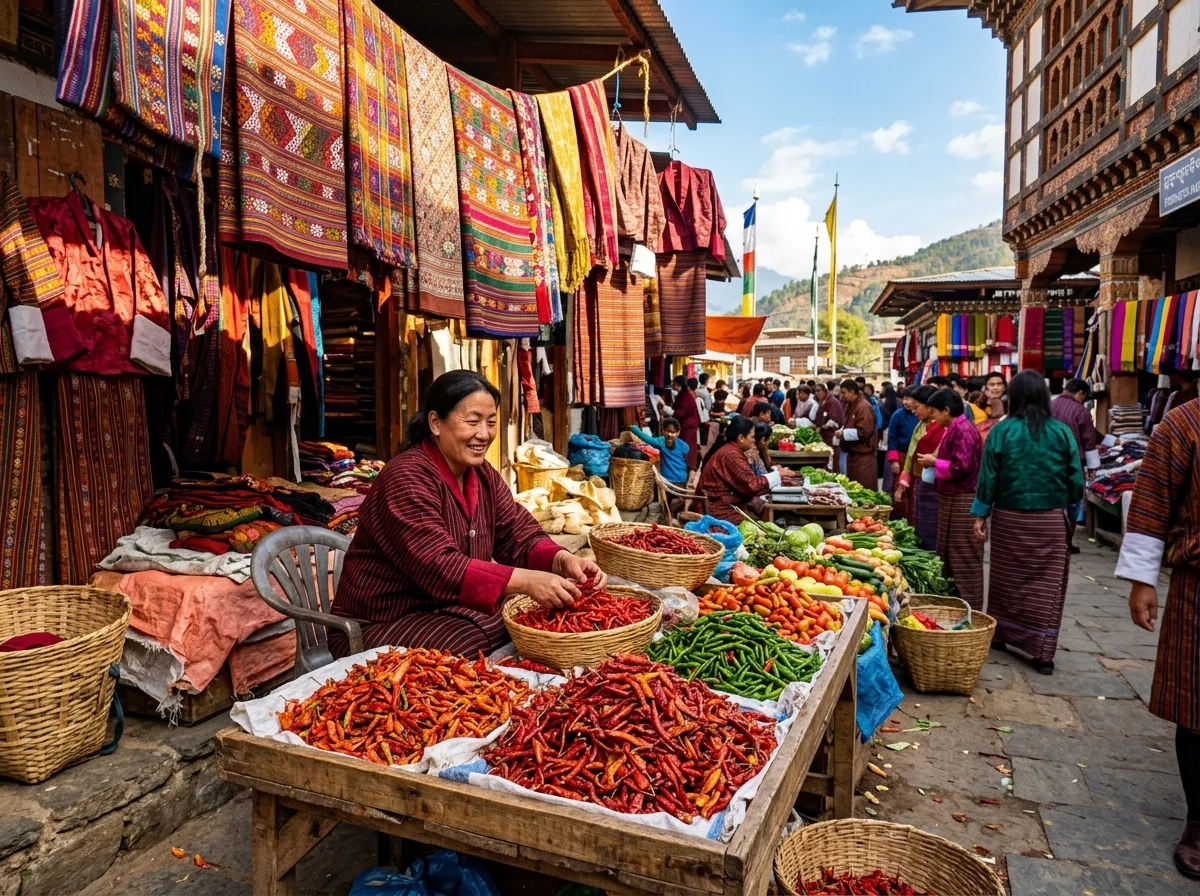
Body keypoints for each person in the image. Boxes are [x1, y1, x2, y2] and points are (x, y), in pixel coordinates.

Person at [333, 371, 605, 656]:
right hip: (379, 621)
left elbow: (515, 531)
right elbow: (438, 565)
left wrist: (561, 560)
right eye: (473, 422)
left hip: (440, 610)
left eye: (490, 422)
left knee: (532, 618)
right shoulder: (406, 478)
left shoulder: (481, 474)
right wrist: (527, 581)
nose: (484, 434)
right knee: (481, 638)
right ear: (436, 423)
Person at [1116, 399, 1200, 878]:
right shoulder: (1185, 423)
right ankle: (1198, 822)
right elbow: (1151, 504)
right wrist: (1142, 581)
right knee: (1195, 709)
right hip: (1196, 586)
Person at [971, 370, 1083, 674]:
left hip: (1009, 518)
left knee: (1006, 580)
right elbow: (1076, 478)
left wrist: (981, 513)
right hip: (1049, 520)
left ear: (1014, 397)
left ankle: (1003, 635)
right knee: (1047, 586)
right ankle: (1042, 652)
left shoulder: (1002, 431)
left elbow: (988, 476)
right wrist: (1070, 512)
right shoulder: (1061, 432)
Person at [924, 389, 985, 610]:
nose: (933, 417)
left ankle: (971, 607)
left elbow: (963, 466)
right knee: (949, 553)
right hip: (951, 497)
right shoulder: (954, 427)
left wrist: (934, 462)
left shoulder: (964, 430)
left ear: (946, 410)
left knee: (964, 555)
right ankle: (955, 605)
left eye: (934, 412)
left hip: (963, 499)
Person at [698, 415, 793, 523]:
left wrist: (776, 476)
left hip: (726, 503)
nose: (754, 440)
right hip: (720, 510)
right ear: (741, 438)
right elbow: (751, 485)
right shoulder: (731, 454)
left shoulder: (732, 450)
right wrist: (777, 475)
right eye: (752, 437)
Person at [1051, 378, 1107, 552]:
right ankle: (1066, 541)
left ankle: (1052, 541)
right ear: (1081, 393)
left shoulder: (1049, 406)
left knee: (1053, 501)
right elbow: (1089, 442)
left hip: (1048, 461)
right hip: (1072, 464)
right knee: (1072, 501)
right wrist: (1093, 469)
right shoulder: (1080, 411)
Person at [896, 385, 944, 551]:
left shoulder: (941, 426)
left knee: (932, 524)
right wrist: (904, 481)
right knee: (919, 521)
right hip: (920, 479)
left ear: (930, 407)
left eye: (917, 407)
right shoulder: (921, 425)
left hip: (936, 483)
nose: (914, 411)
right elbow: (911, 454)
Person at [836, 380, 880, 489]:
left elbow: (864, 431)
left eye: (843, 392)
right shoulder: (851, 405)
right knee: (854, 488)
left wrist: (843, 433)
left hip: (864, 456)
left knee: (864, 489)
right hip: (853, 454)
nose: (841, 396)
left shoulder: (863, 406)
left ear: (852, 392)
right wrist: (842, 430)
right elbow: (848, 424)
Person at [885, 387, 919, 521]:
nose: (905, 402)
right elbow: (892, 438)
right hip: (902, 456)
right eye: (904, 398)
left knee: (915, 492)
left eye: (909, 399)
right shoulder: (898, 414)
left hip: (918, 459)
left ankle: (914, 521)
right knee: (900, 489)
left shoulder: (921, 415)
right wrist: (894, 461)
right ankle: (901, 521)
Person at [631, 417, 689, 487]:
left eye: (673, 432)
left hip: (679, 480)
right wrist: (635, 429)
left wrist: (634, 429)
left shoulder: (683, 446)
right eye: (668, 431)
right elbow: (648, 439)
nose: (670, 434)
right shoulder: (661, 442)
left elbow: (687, 461)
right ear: (663, 431)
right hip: (668, 480)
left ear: (678, 433)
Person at [672, 376, 701, 473]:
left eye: (674, 384)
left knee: (688, 448)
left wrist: (666, 409)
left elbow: (680, 413)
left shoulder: (686, 397)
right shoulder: (682, 395)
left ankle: (689, 469)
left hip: (688, 427)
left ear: (679, 385)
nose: (673, 385)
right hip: (685, 426)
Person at [814, 382, 844, 472]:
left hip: (832, 435)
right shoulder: (822, 401)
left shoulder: (832, 401)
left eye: (819, 391)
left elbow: (833, 419)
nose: (817, 393)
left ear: (824, 391)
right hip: (824, 436)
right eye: (815, 391)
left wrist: (823, 427)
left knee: (833, 461)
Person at [695, 373, 713, 446]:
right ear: (706, 381)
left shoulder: (697, 390)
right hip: (704, 416)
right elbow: (708, 406)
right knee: (704, 435)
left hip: (697, 415)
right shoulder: (705, 392)